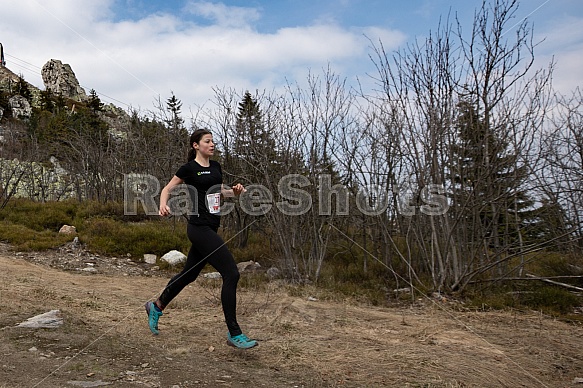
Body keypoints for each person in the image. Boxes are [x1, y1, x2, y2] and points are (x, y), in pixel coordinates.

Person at [145, 129, 258, 349]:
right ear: (196, 145)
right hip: (198, 228)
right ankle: (234, 334)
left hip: (211, 227)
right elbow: (167, 188)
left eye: (213, 141)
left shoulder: (215, 168)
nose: (212, 144)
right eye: (207, 141)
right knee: (231, 273)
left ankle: (156, 306)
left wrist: (233, 192)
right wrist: (163, 204)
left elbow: (217, 193)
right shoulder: (189, 169)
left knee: (189, 274)